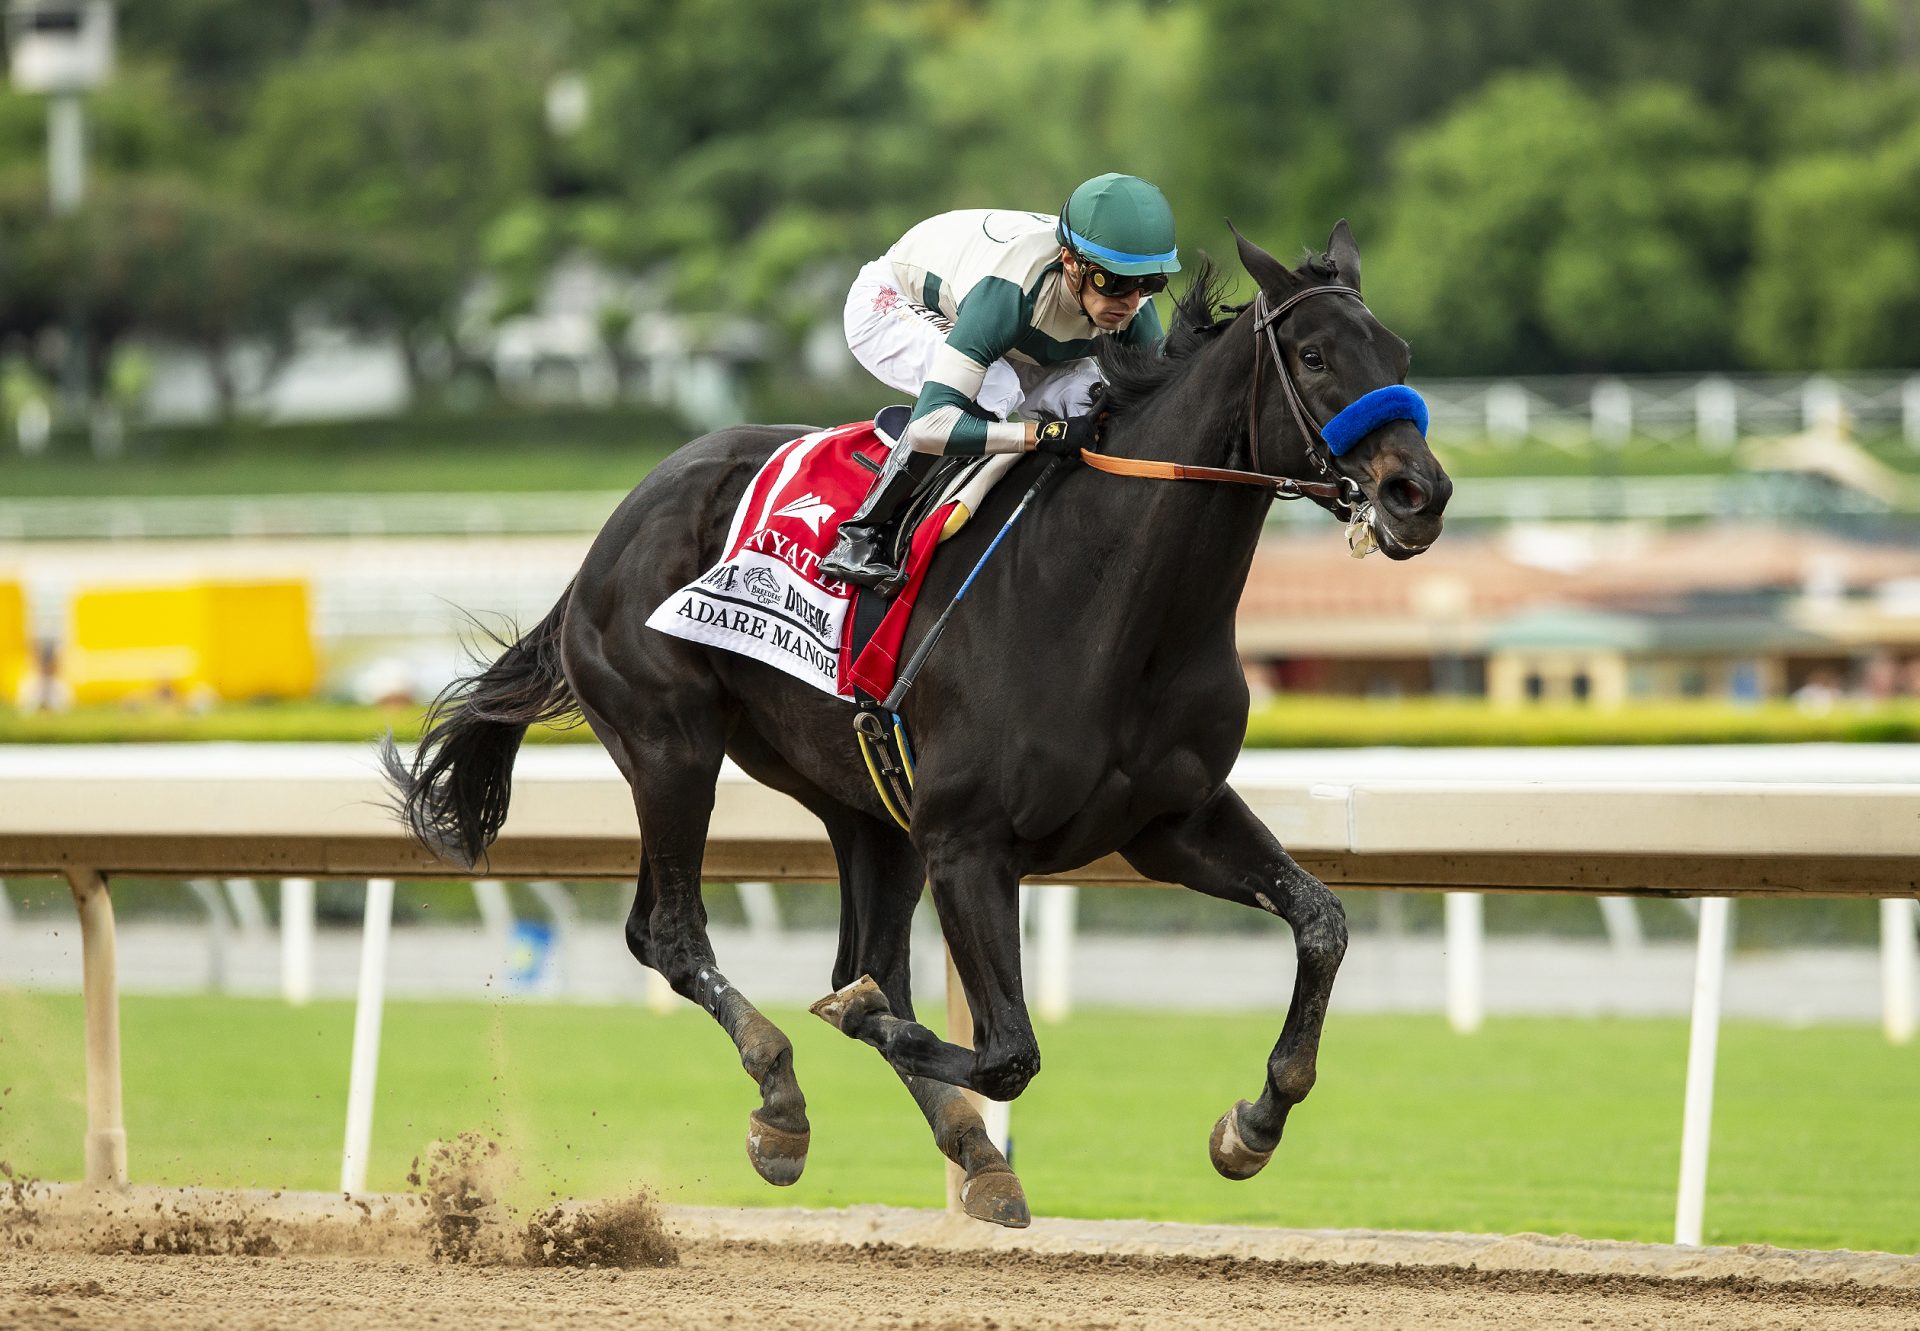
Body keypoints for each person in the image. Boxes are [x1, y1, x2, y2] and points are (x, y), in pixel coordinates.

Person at [820, 172, 1180, 593]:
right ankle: (864, 534)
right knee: (996, 387)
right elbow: (930, 425)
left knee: (1090, 403)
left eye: (1148, 284)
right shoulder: (1009, 291)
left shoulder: (1132, 301)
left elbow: (1161, 410)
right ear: (1070, 263)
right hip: (893, 299)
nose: (1130, 301)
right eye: (1112, 283)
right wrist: (1044, 434)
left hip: (1013, 334)